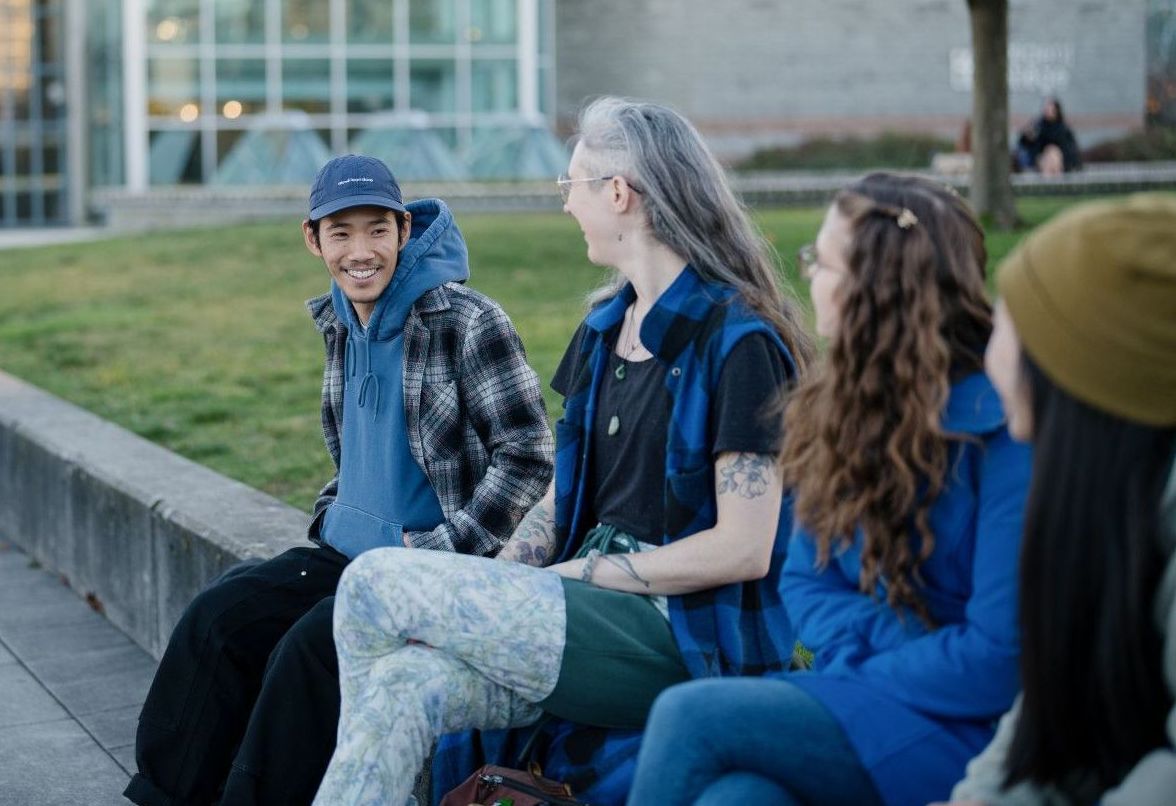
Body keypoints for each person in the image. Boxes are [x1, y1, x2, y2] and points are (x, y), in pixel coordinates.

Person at [310, 97, 815, 806]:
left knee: (370, 581)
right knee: (400, 686)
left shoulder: (738, 342)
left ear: (618, 194)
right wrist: (504, 577)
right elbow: (559, 497)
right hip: (576, 613)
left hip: (683, 634)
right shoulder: (607, 327)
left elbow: (744, 550)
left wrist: (586, 575)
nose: (566, 206)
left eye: (570, 187)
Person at [123, 154, 554, 806]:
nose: (361, 251)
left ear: (404, 231)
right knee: (218, 619)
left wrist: (440, 550)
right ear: (313, 238)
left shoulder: (467, 321)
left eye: (377, 230)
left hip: (426, 574)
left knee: (304, 658)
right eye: (341, 232)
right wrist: (338, 512)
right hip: (344, 554)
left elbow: (527, 457)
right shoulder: (339, 320)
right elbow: (358, 452)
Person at [626, 173, 1033, 806]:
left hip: (974, 728)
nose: (809, 273)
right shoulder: (834, 412)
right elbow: (807, 586)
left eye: (823, 261)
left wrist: (873, 656)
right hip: (864, 693)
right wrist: (891, 650)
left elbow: (997, 659)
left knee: (689, 715)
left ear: (875, 291)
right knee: (737, 798)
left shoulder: (1003, 436)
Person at [941, 194, 1176, 805]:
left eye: (1014, 322)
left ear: (1084, 366)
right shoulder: (1110, 493)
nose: (991, 347)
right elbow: (1054, 712)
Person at [1014, 97, 1081, 176]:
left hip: (1059, 161)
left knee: (1053, 154)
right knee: (1050, 156)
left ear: (1056, 111)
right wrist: (1028, 137)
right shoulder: (1038, 126)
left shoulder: (1063, 128)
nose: (1047, 111)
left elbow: (1070, 149)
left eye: (1050, 109)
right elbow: (1025, 142)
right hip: (1041, 159)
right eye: (1046, 109)